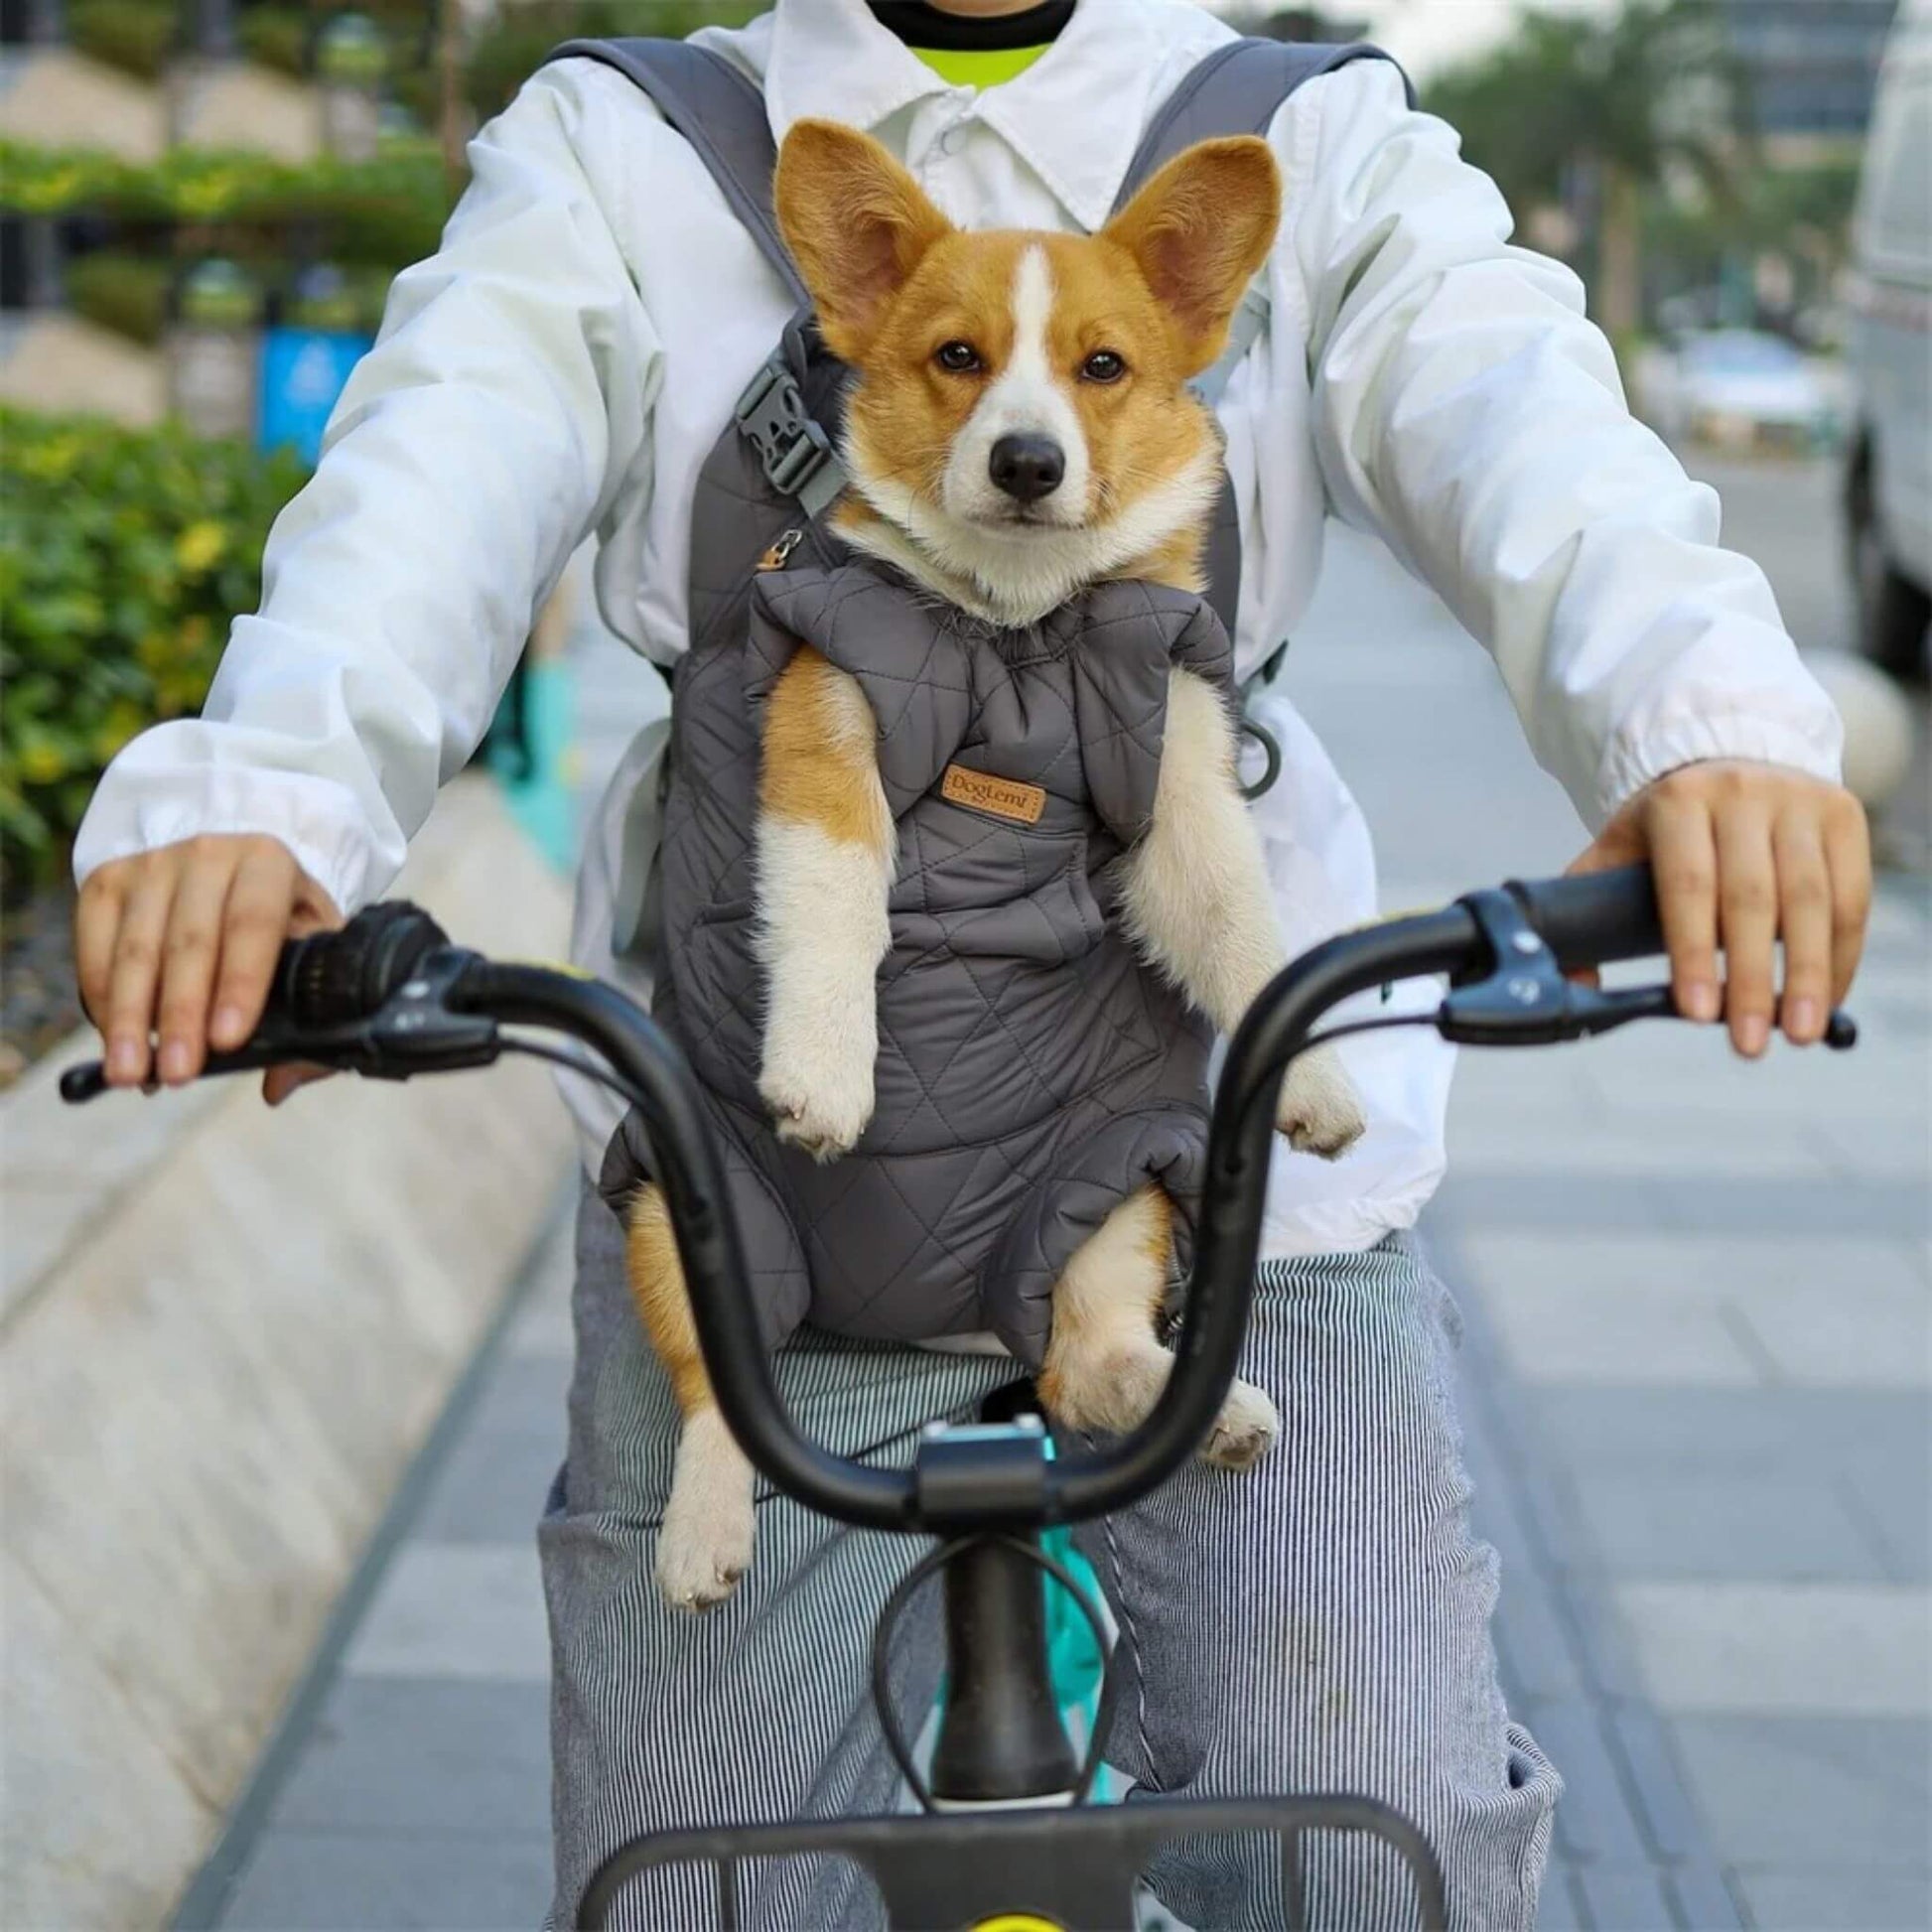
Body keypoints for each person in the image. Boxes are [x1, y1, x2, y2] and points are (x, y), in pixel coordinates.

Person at [70, 1, 1870, 1924]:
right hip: (760, 1147)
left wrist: (1706, 725)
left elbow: (1521, 415)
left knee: (1378, 1846)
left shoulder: (1295, 136)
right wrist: (271, 801)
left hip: (1209, 1149)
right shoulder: (634, 149)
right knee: (695, 1894)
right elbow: (427, 475)